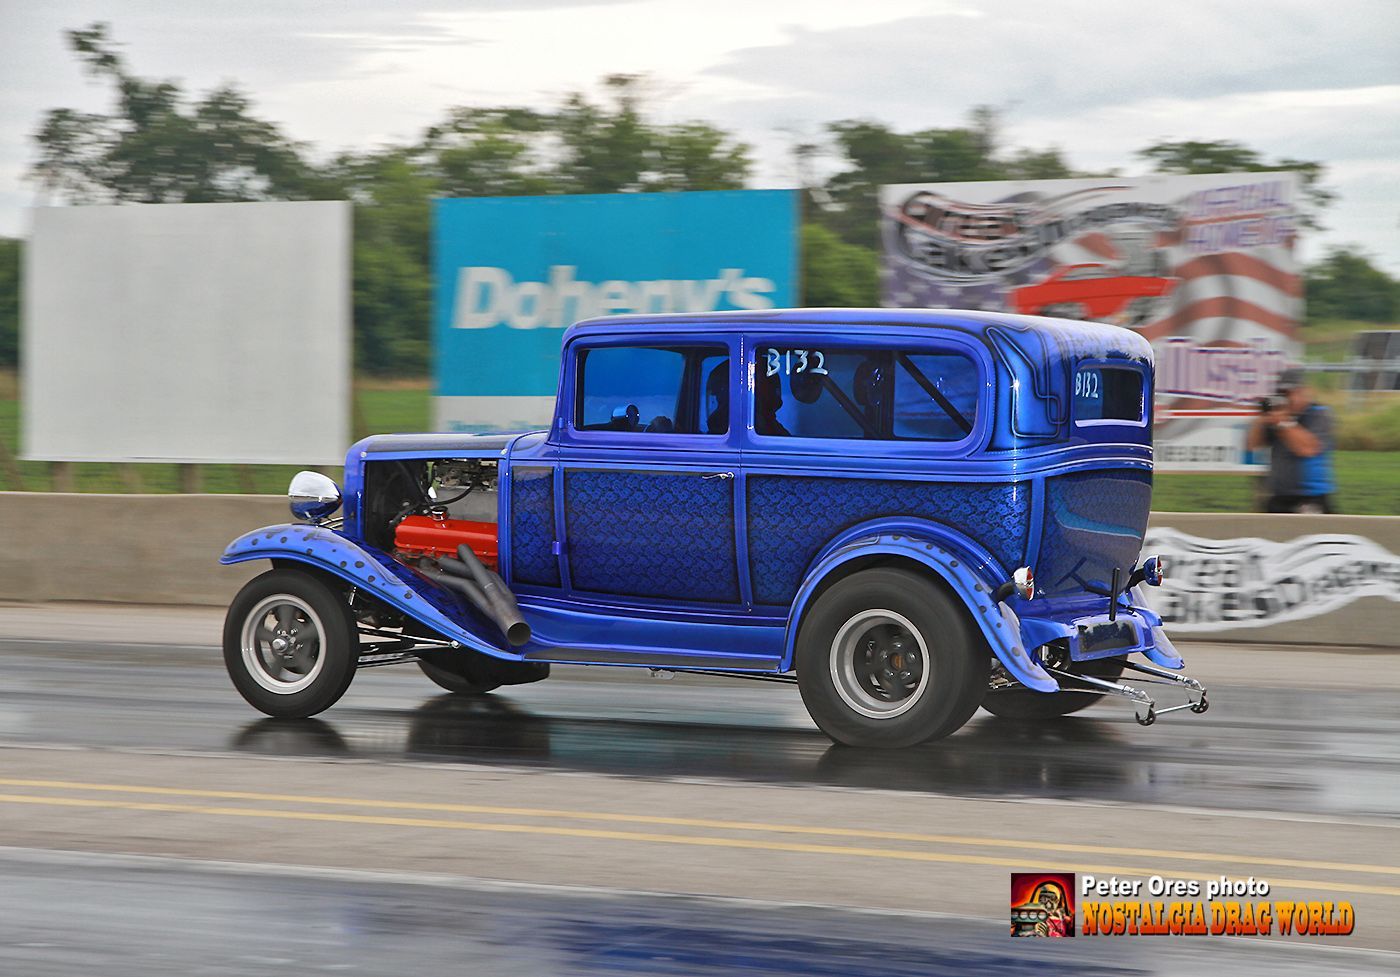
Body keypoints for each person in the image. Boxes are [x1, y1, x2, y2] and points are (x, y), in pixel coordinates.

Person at [1246, 367, 1335, 513]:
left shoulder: (1318, 414)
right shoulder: (1278, 417)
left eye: (1289, 393)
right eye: (1281, 393)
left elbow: (1307, 449)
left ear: (1304, 391)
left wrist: (1284, 422)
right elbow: (1252, 445)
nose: (1285, 398)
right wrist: (1261, 419)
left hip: (1310, 497)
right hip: (1279, 496)